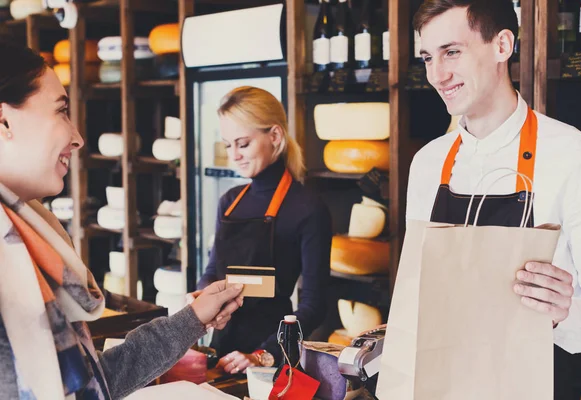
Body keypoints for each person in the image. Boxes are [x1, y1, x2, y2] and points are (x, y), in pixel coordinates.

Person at [0, 41, 244, 400]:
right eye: (62, 111)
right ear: (4, 120)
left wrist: (193, 318)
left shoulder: (31, 245)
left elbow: (92, 382)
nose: (77, 138)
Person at [406, 0, 581, 398]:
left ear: (502, 45)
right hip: (441, 380)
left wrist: (563, 314)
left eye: (452, 52)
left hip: (534, 383)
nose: (437, 75)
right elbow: (417, 295)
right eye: (427, 57)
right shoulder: (427, 163)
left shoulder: (576, 156)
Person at [189, 86, 332, 375]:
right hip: (221, 349)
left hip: (272, 355)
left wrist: (263, 354)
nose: (235, 156)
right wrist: (200, 297)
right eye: (228, 145)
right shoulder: (229, 203)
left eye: (243, 144)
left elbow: (315, 305)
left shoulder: (307, 208)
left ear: (275, 137)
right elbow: (214, 270)